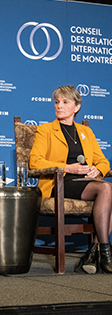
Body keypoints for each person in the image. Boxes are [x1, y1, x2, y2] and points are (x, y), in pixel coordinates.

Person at [30, 85, 112, 274]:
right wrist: (67, 167)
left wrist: (97, 170)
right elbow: (35, 162)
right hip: (59, 183)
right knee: (106, 189)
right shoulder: (46, 130)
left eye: (65, 102)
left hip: (84, 182)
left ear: (76, 107)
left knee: (107, 188)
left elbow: (103, 161)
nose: (59, 106)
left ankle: (94, 251)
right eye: (57, 102)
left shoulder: (86, 132)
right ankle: (106, 252)